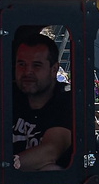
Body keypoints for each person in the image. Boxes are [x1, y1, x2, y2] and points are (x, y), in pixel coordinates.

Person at [8, 27, 73, 171]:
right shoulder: (9, 95)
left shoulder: (66, 99)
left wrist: (2, 168)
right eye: (21, 64)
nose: (27, 72)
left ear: (54, 69)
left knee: (50, 169)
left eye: (36, 65)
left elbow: (50, 151)